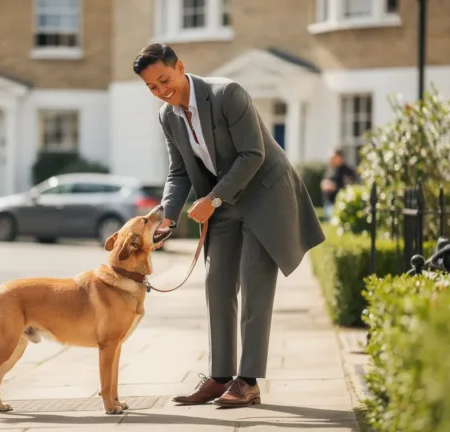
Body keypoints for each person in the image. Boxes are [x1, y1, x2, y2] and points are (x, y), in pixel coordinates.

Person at [133, 43, 325, 407]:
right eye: (152, 87)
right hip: (221, 201)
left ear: (180, 68)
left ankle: (248, 381)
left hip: (264, 196)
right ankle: (220, 376)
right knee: (217, 285)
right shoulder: (167, 116)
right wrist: (169, 216)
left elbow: (254, 153)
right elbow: (178, 171)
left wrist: (213, 199)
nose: (161, 90)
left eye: (164, 80)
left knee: (255, 286)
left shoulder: (227, 94)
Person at [320, 149, 357, 219]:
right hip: (328, 202)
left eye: (333, 157)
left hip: (341, 204)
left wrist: (335, 187)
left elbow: (350, 187)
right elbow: (325, 180)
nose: (331, 159)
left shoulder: (347, 171)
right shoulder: (330, 169)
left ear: (340, 157)